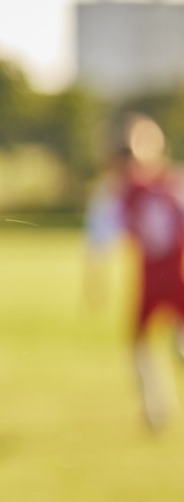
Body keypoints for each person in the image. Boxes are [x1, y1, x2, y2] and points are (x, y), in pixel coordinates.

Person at [84, 114, 184, 430]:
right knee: (139, 346)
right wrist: (95, 281)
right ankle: (154, 411)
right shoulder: (120, 193)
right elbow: (99, 238)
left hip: (178, 275)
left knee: (180, 346)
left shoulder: (174, 184)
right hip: (149, 279)